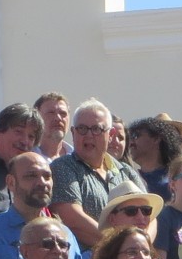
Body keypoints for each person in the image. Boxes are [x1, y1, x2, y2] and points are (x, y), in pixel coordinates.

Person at [49, 98, 143, 248]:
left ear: (111, 134)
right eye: (82, 129)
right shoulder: (62, 167)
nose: (88, 135)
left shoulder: (126, 171)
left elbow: (151, 215)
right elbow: (73, 219)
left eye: (96, 129)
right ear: (73, 133)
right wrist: (120, 247)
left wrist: (142, 246)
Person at [123, 113, 182, 203]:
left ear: (157, 138)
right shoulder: (127, 177)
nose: (131, 142)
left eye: (136, 136)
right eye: (130, 137)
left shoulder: (181, 178)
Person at [33, 91, 72, 160]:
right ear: (37, 118)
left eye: (63, 113)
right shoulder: (27, 157)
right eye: (51, 113)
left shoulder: (79, 158)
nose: (58, 118)